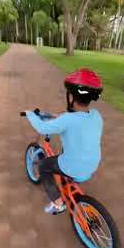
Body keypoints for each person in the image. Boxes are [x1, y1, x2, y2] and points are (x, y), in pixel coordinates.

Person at [25, 68, 104, 214]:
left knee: (43, 166)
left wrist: (30, 114)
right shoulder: (96, 115)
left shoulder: (67, 120)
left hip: (73, 166)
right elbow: (73, 117)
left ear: (71, 97)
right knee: (70, 150)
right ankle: (69, 181)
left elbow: (42, 128)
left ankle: (58, 203)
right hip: (92, 165)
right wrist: (56, 116)